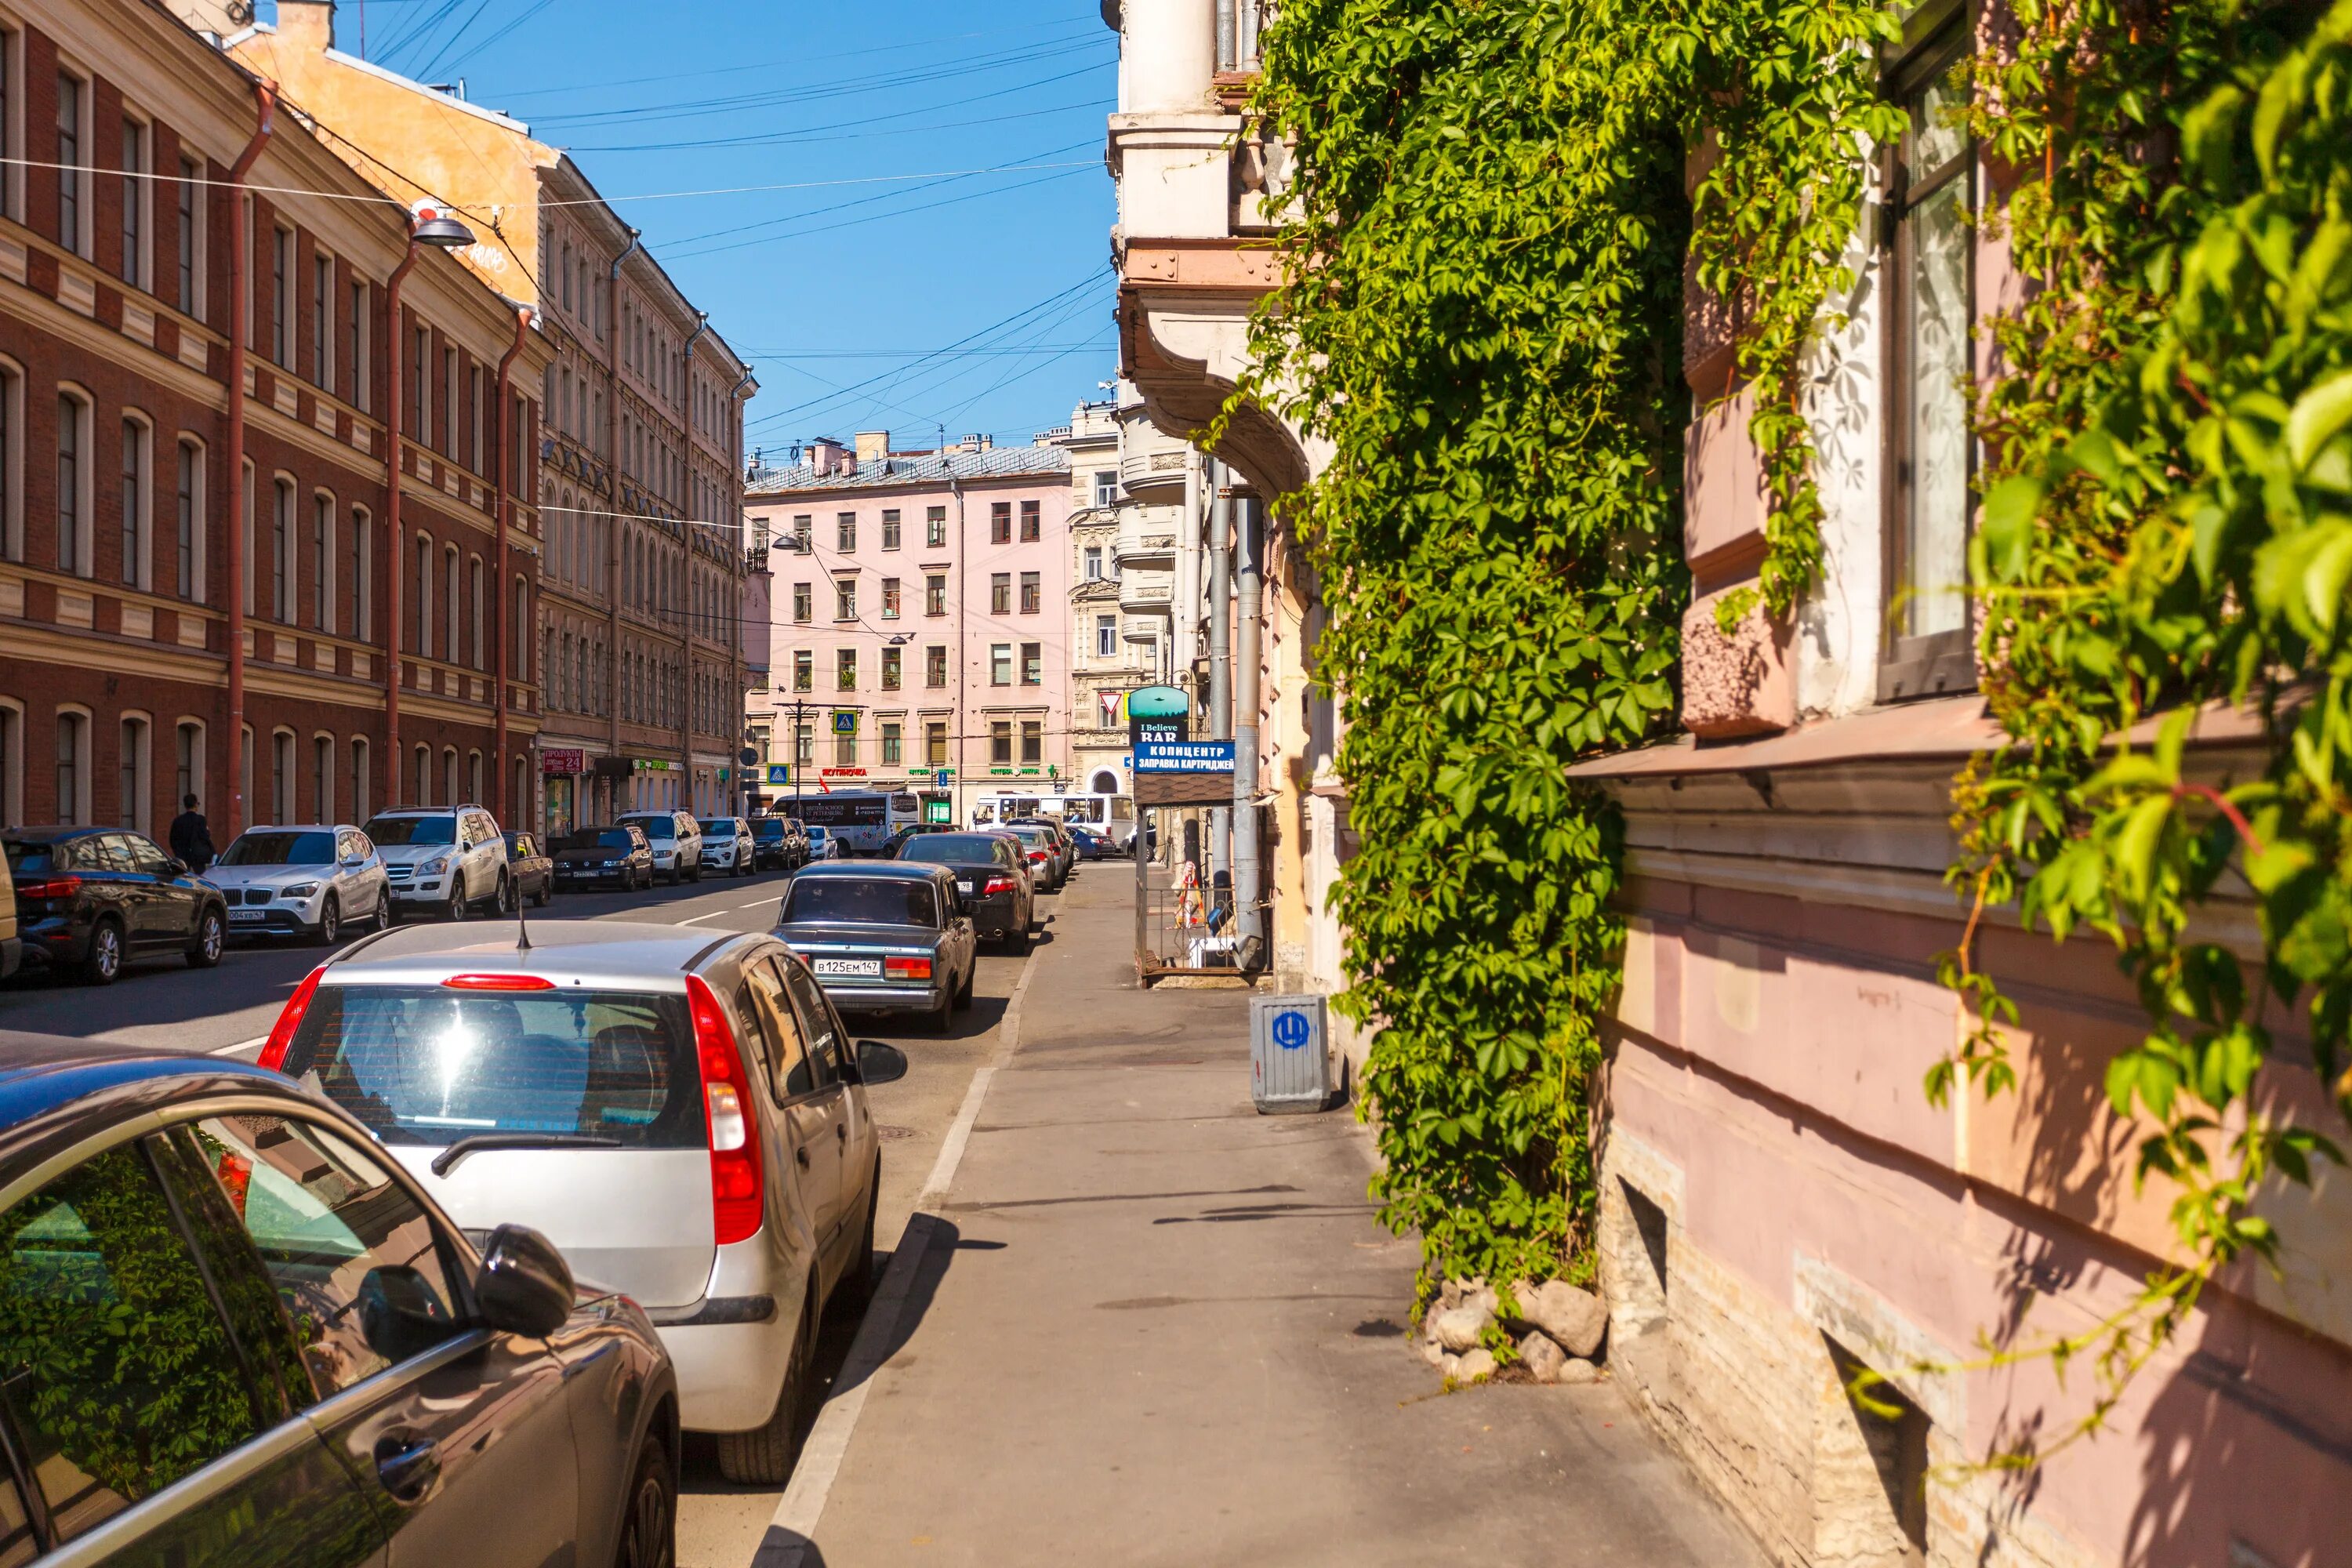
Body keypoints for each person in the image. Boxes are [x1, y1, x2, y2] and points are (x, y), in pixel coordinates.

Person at [168, 794, 215, 873]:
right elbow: (205, 837)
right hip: (198, 857)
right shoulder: (201, 820)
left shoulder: (178, 821)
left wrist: (178, 853)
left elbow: (173, 840)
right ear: (196, 805)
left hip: (183, 856)